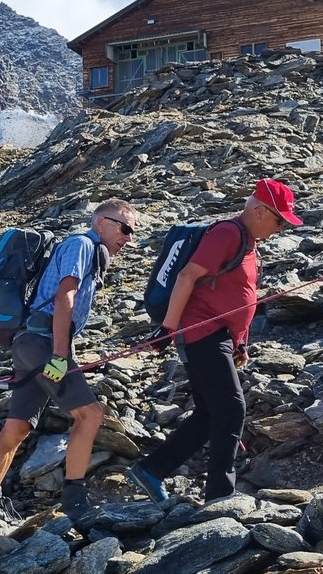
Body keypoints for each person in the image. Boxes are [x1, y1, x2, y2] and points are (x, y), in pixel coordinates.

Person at [126, 179, 299, 503]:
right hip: (201, 332)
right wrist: (167, 329)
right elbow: (187, 276)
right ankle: (220, 494)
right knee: (232, 408)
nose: (280, 228)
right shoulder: (227, 234)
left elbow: (235, 295)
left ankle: (151, 470)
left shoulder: (247, 241)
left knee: (210, 411)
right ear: (261, 211)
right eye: (279, 220)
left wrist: (239, 343)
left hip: (216, 336)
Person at [0, 199, 140, 522]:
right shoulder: (82, 244)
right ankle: (74, 501)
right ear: (101, 222)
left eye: (132, 232)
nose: (128, 238)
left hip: (29, 343)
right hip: (43, 343)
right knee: (90, 416)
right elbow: (65, 297)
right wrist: (61, 356)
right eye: (124, 228)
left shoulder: (89, 250)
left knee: (17, 426)